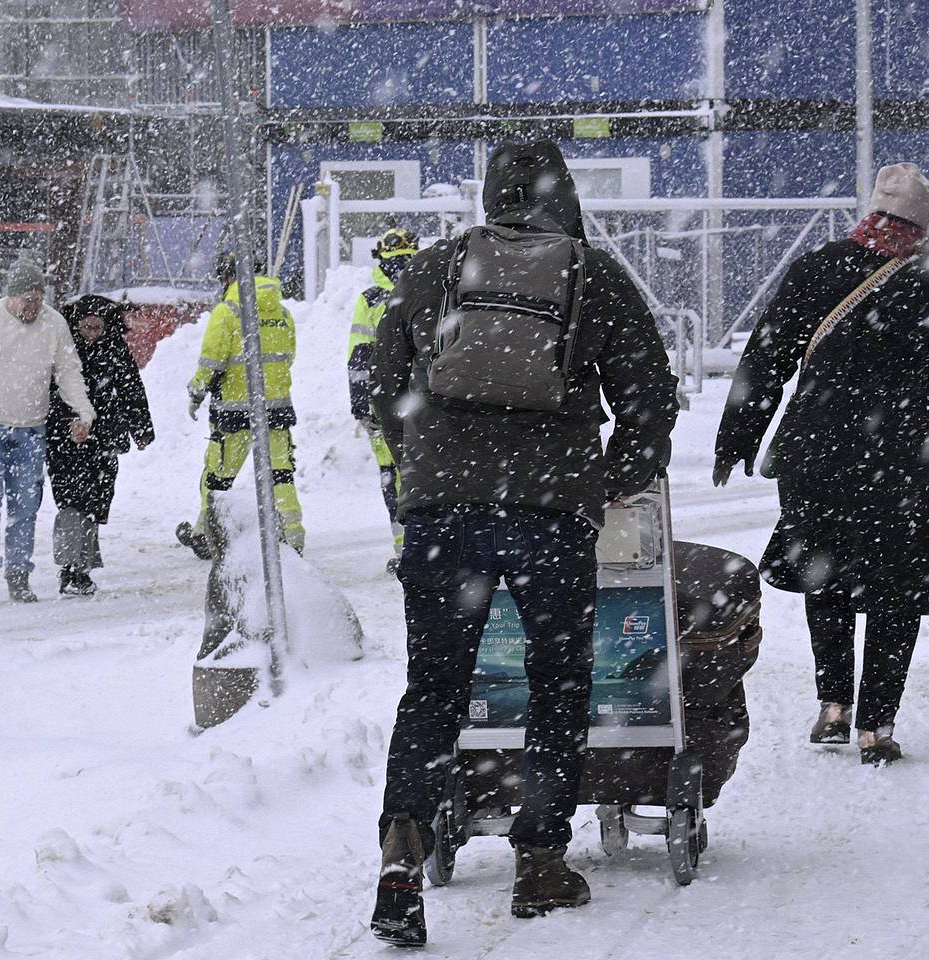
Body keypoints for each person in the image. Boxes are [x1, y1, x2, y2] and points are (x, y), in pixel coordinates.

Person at [367, 140, 678, 944]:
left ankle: (404, 844)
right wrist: (609, 479)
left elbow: (379, 381)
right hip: (550, 512)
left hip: (444, 512)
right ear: (561, 195)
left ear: (491, 194)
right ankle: (540, 859)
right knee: (558, 681)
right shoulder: (592, 273)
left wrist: (423, 468)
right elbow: (649, 393)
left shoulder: (436, 267)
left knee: (433, 686)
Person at [714, 163, 929, 765]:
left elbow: (767, 356)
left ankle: (833, 706)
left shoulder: (817, 269)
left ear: (870, 213)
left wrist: (738, 436)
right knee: (896, 589)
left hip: (819, 454)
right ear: (925, 225)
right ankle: (875, 728)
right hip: (910, 464)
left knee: (823, 574)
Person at [0, 255, 96, 606]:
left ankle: (19, 575)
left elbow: (68, 371)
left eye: (39, 300)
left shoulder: (53, 324)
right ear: (10, 297)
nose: (33, 308)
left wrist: (84, 411)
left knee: (25, 506)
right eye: (27, 301)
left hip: (30, 430)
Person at [176, 253, 303, 560]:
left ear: (228, 278)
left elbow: (212, 360)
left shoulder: (228, 311)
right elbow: (287, 357)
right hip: (275, 409)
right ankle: (292, 537)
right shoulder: (282, 313)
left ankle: (207, 535)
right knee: (280, 475)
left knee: (218, 478)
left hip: (233, 413)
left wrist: (197, 392)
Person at [46, 295, 154, 596]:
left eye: (97, 328)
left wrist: (141, 429)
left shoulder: (115, 348)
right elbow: (51, 389)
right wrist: (71, 422)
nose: (91, 334)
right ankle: (72, 569)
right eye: (86, 327)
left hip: (104, 436)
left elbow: (132, 387)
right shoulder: (63, 347)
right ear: (75, 324)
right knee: (70, 500)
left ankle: (81, 568)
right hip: (64, 435)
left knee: (94, 501)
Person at [348, 227, 419, 573]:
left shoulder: (371, 299)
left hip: (381, 405)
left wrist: (361, 404)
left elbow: (358, 357)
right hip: (421, 404)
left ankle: (407, 550)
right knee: (422, 475)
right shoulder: (429, 291)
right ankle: (424, 547)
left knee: (391, 478)